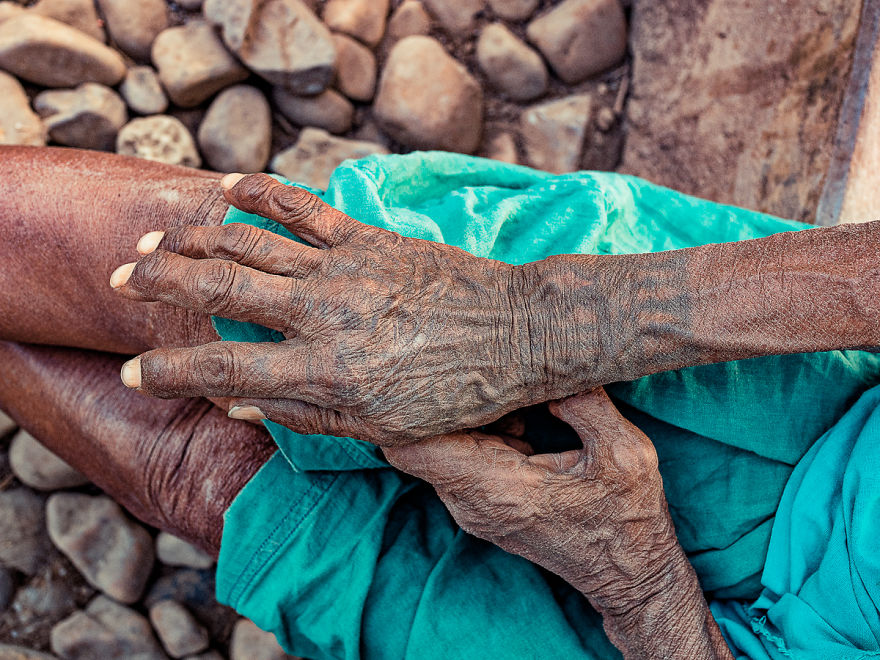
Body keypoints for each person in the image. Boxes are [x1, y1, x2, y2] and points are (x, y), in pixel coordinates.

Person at [1, 145, 878, 659]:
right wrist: (544, 320)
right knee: (222, 298)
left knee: (212, 481)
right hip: (816, 389)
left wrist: (647, 595)